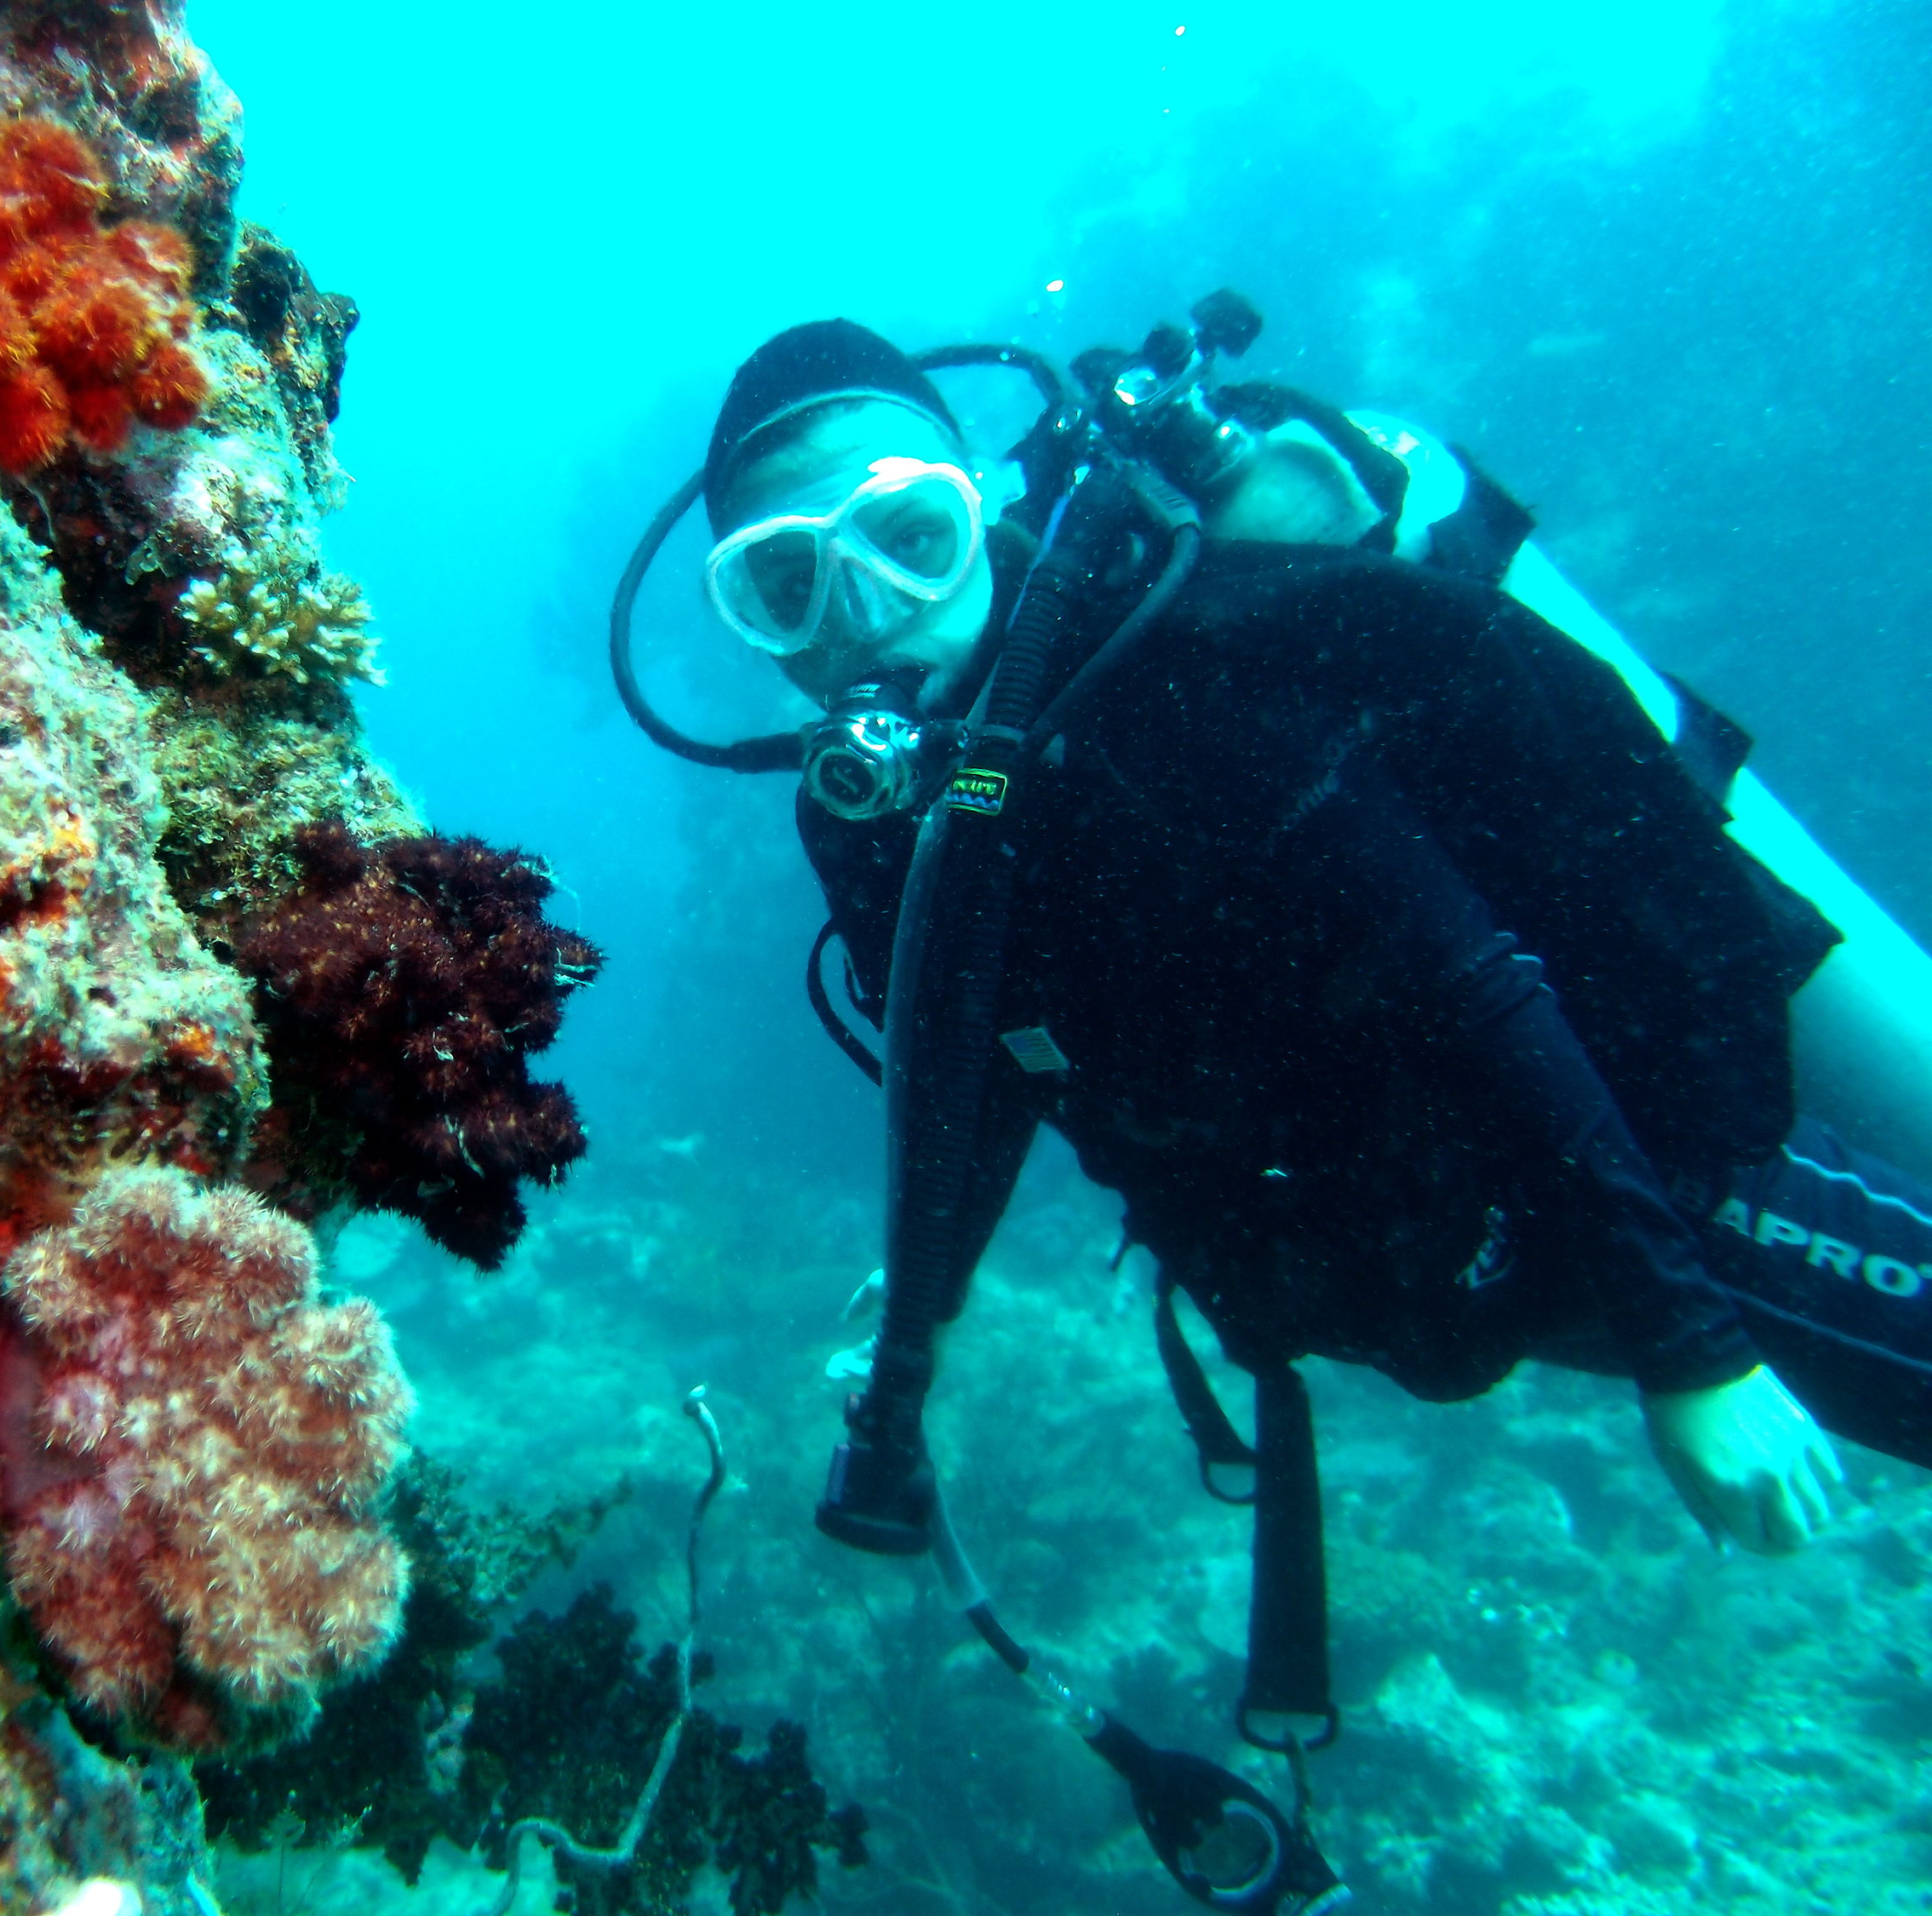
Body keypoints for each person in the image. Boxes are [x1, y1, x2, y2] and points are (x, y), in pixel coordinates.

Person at [656, 313, 1932, 1578]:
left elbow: (1475, 977)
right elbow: (978, 1054)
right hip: (1425, 1255)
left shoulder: (1183, 677)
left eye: (910, 538)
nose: (865, 614)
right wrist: (926, 1291)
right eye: (785, 583)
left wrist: (1693, 1343)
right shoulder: (873, 824)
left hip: (1634, 1173)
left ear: (981, 510)